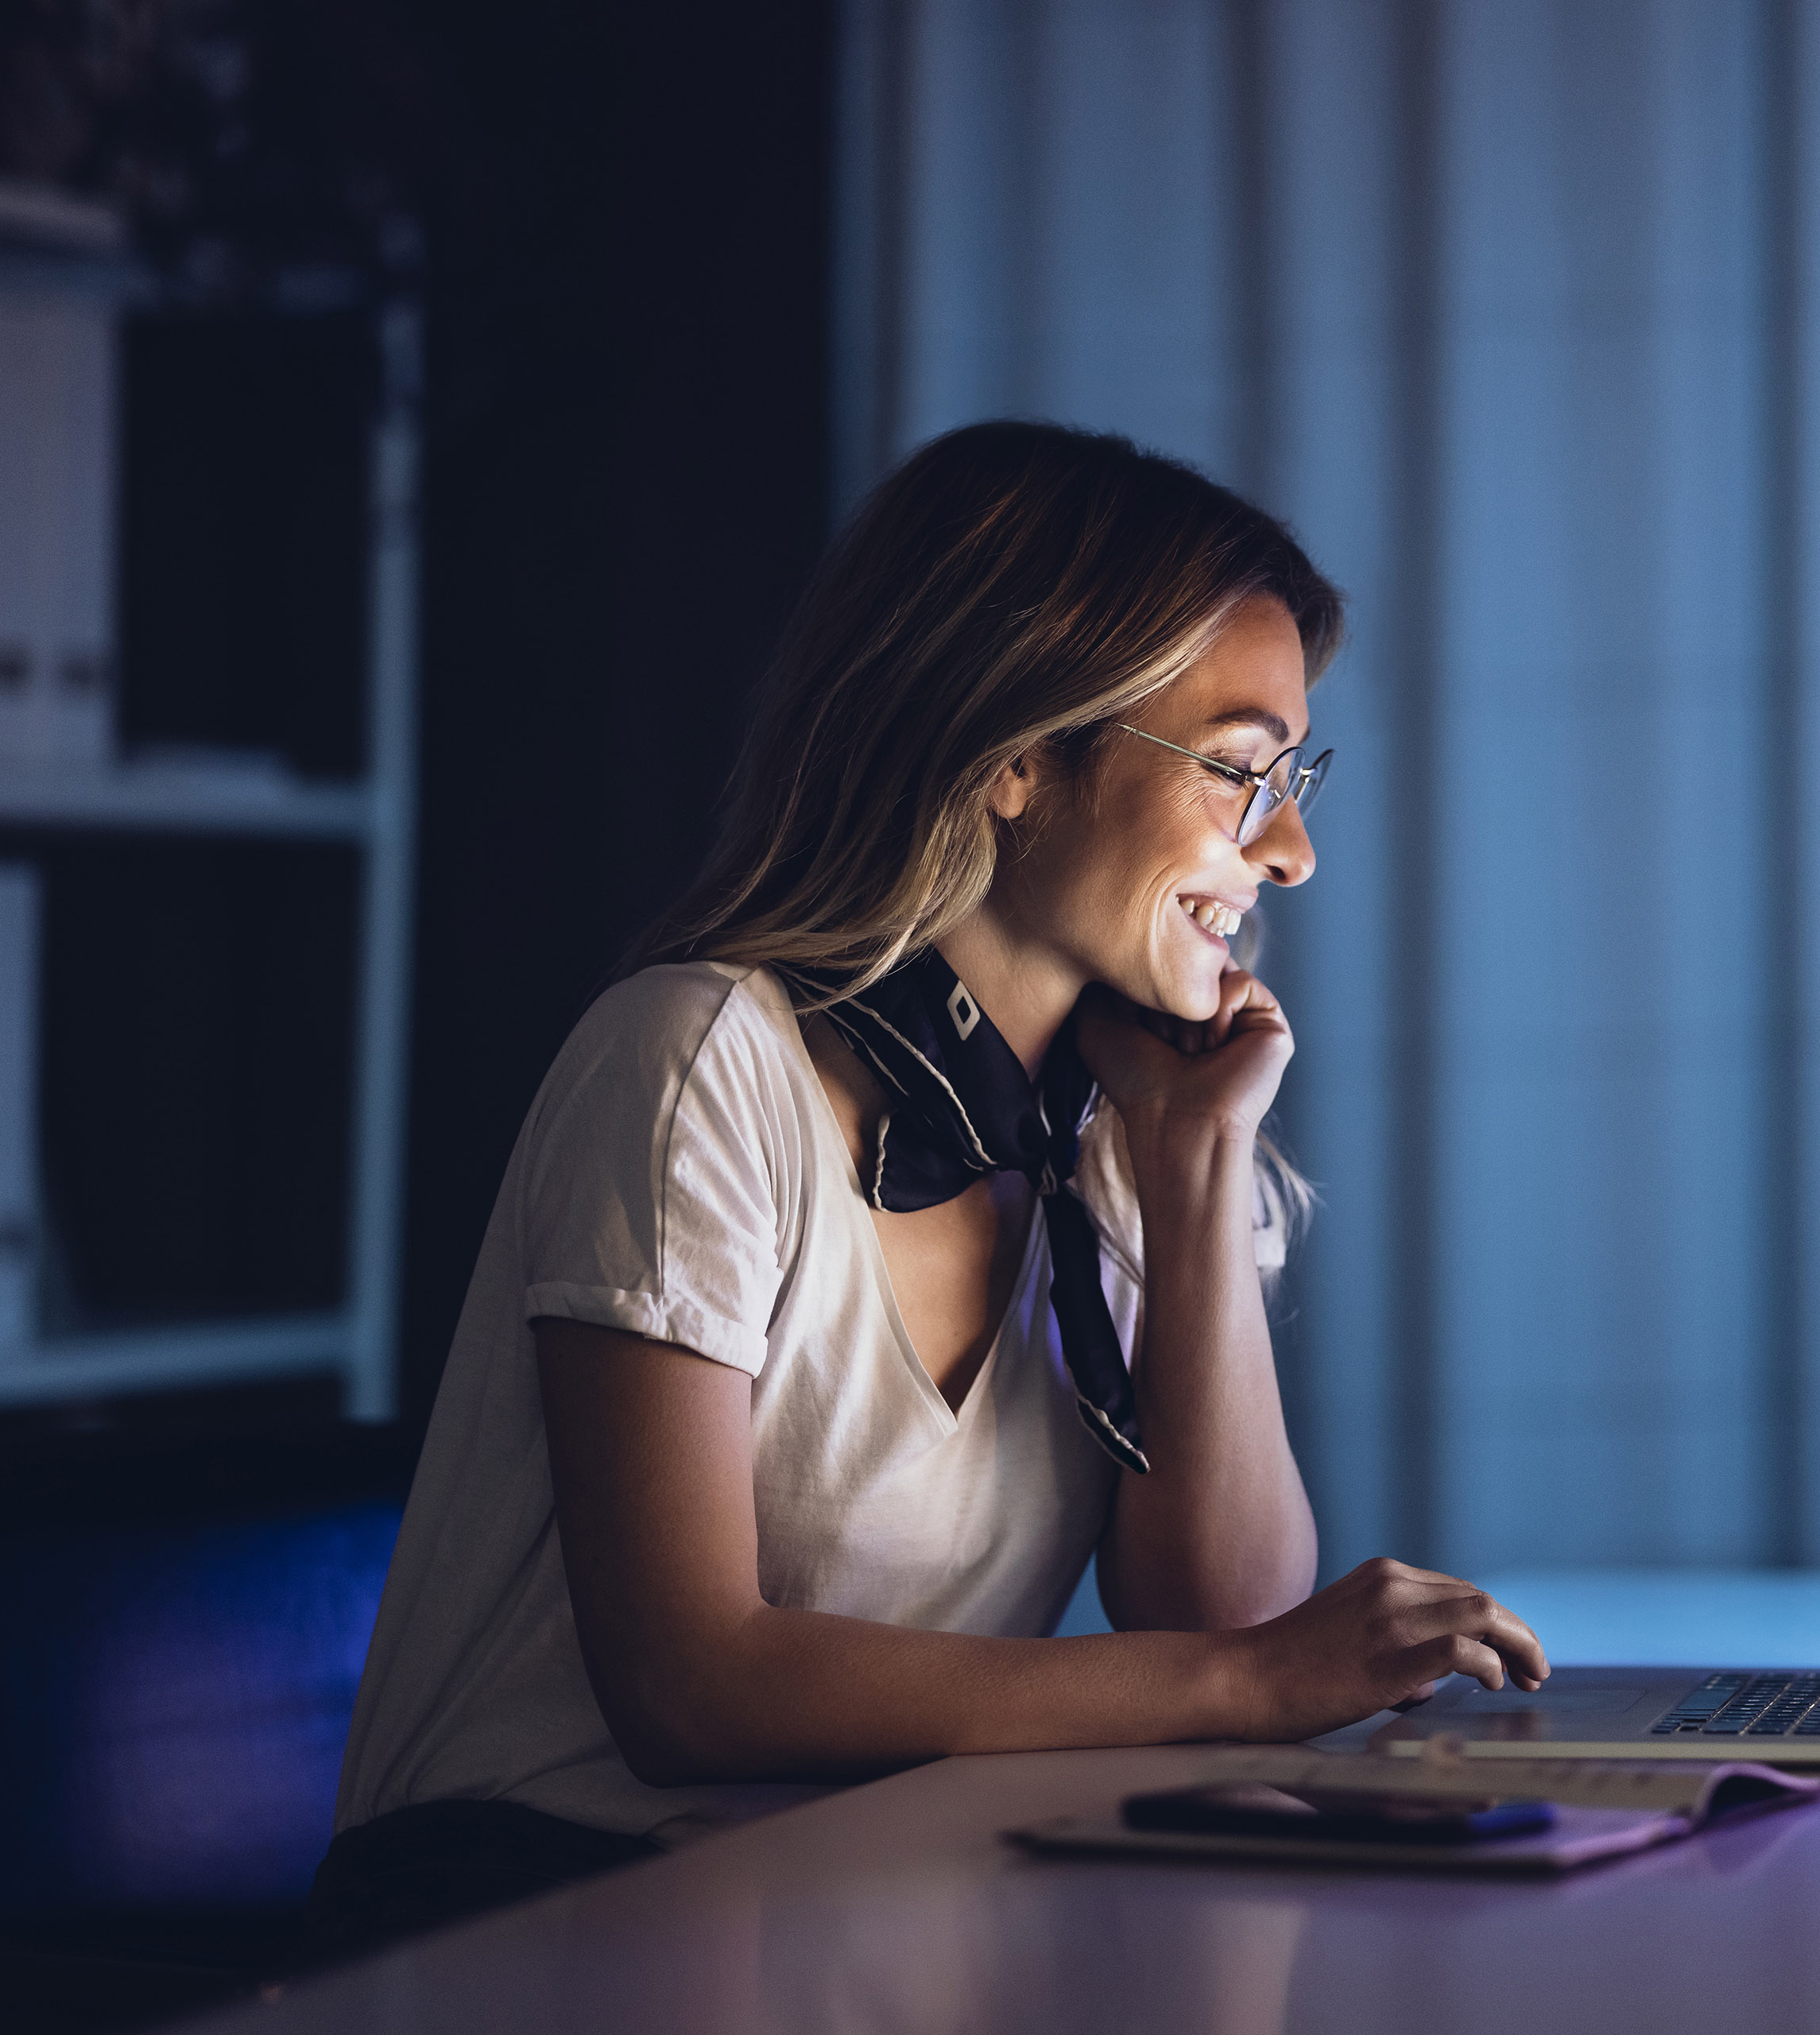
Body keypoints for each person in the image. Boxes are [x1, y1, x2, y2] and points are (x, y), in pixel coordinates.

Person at [308, 421, 1547, 1959]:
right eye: (1238, 773)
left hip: (854, 1907)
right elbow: (691, 1686)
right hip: (526, 1918)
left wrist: (1198, 1163)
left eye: (1294, 778)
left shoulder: (1114, 1133)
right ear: (1018, 755)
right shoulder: (699, 1060)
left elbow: (1219, 1613)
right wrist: (1256, 1686)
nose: (1288, 850)